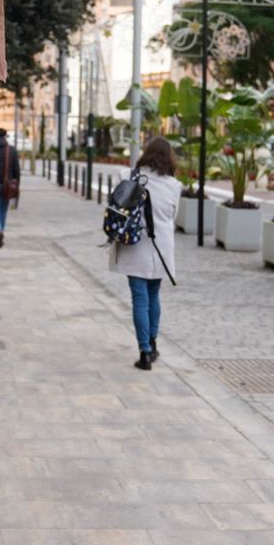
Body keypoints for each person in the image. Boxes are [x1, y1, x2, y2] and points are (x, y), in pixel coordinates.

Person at [112, 136, 181, 371]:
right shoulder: (174, 185)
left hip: (134, 243)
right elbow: (173, 217)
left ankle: (144, 351)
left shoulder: (126, 176)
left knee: (139, 298)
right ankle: (152, 342)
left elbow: (116, 206)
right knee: (153, 295)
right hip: (162, 245)